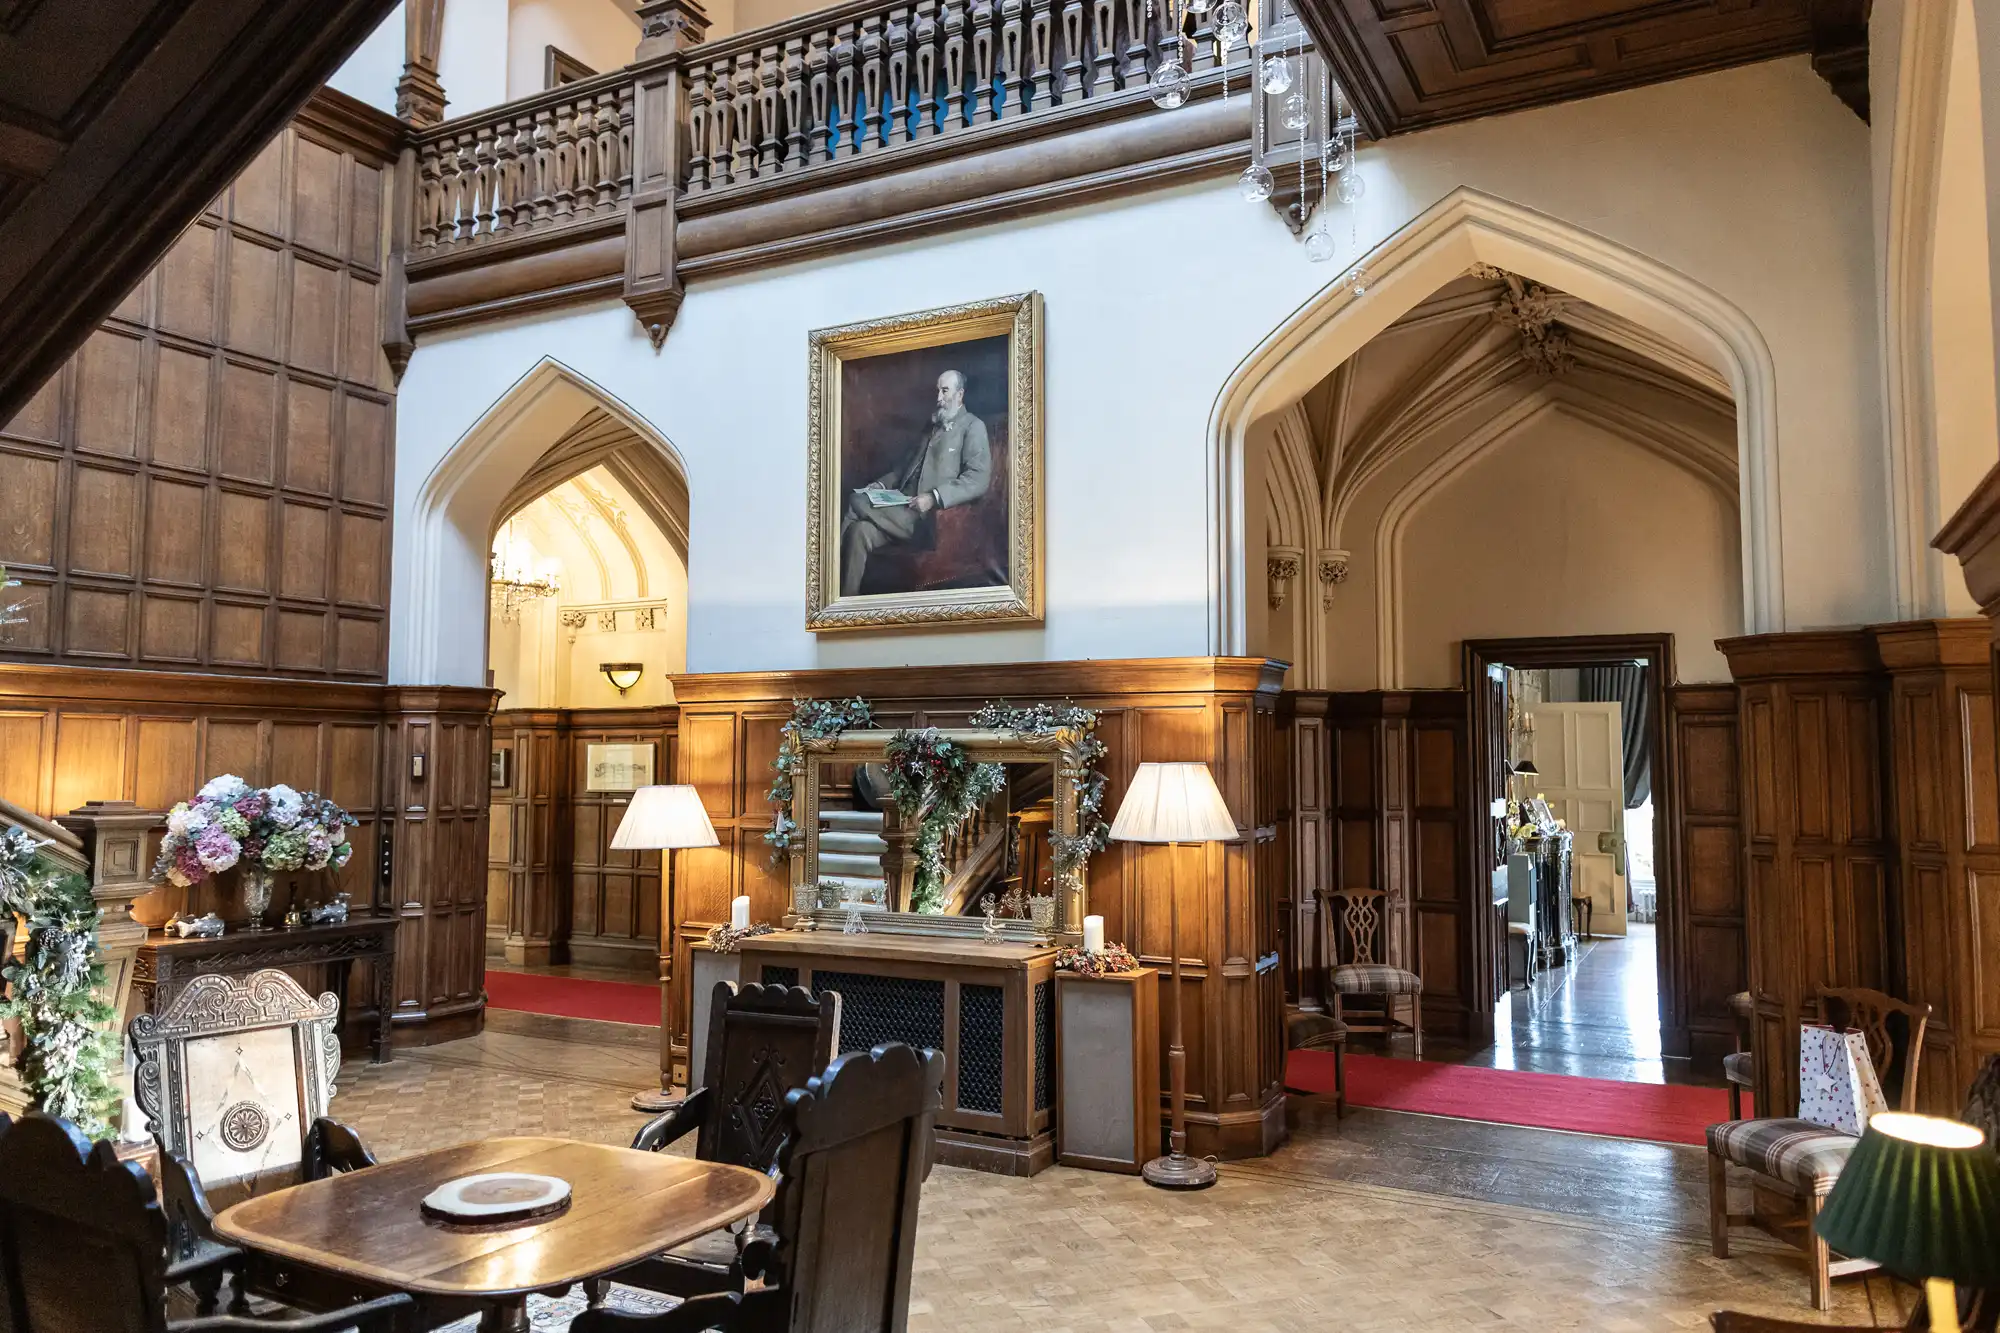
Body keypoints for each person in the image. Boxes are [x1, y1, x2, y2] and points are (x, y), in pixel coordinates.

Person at [840, 369, 992, 597]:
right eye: (937, 391)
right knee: (859, 532)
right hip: (899, 510)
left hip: (928, 521)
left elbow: (978, 479)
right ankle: (843, 604)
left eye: (945, 391)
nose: (939, 398)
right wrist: (880, 485)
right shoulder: (932, 425)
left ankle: (824, 575)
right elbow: (904, 468)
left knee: (854, 500)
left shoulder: (973, 426)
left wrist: (934, 498)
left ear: (960, 395)